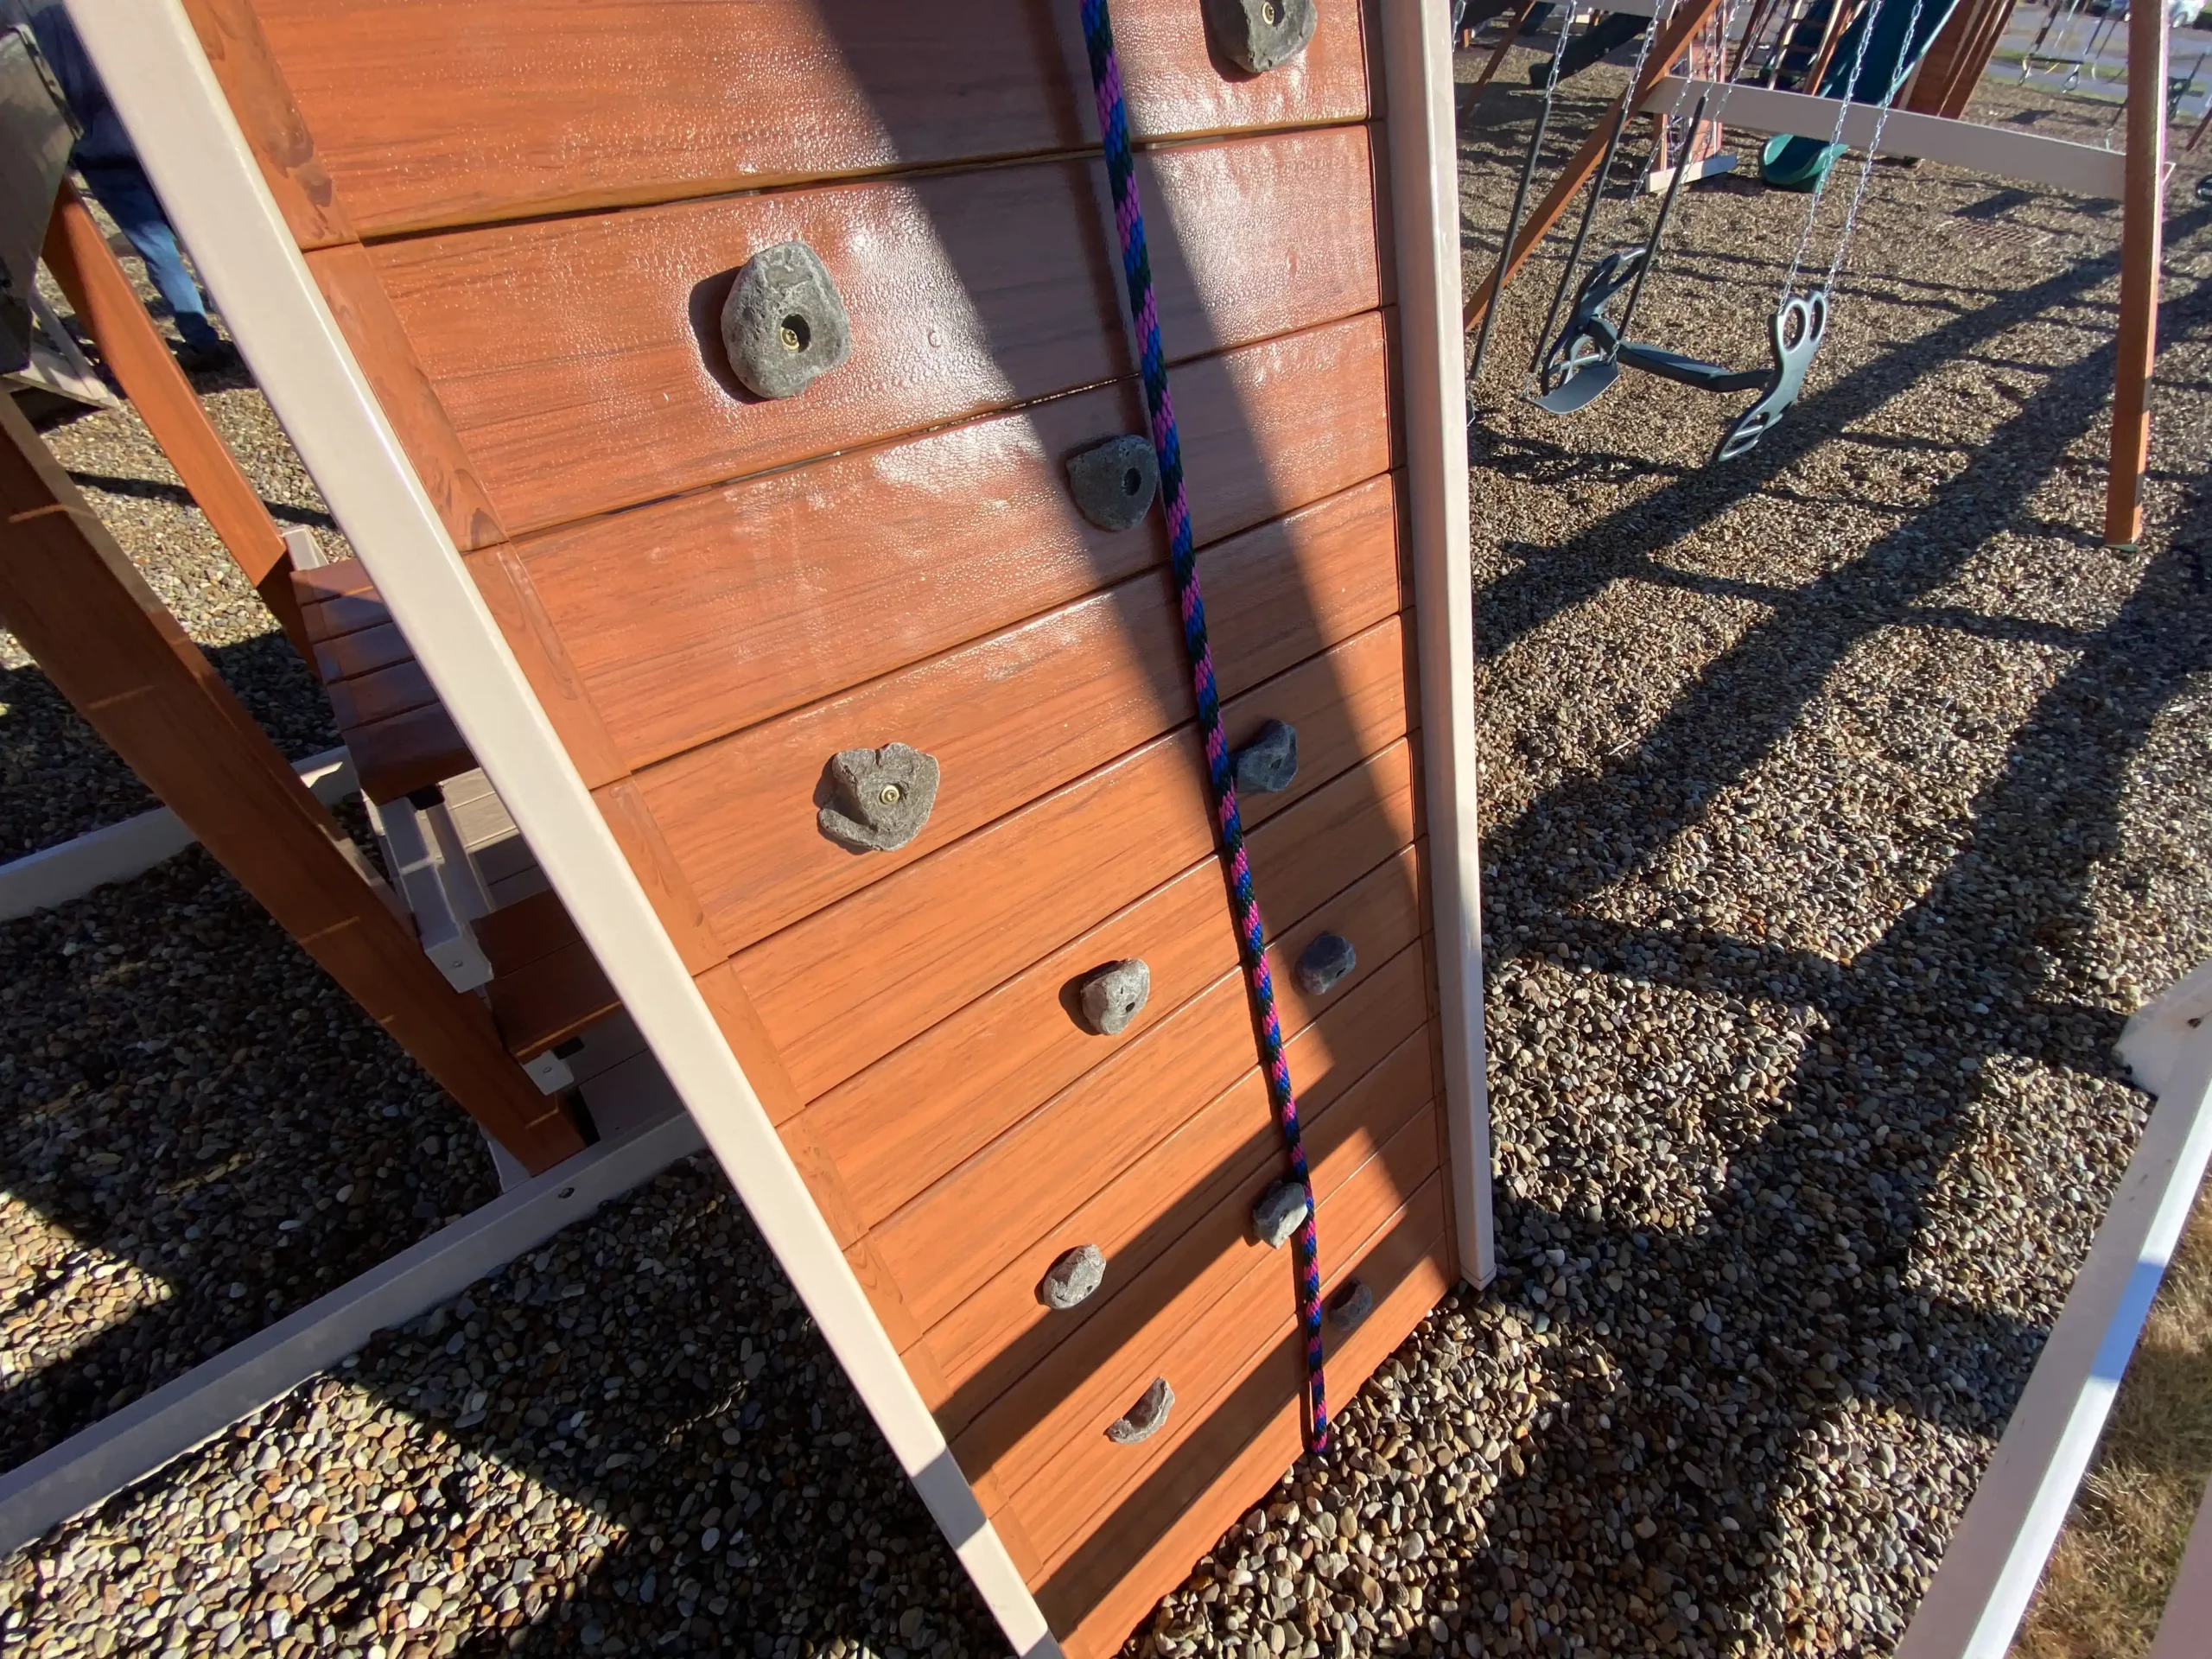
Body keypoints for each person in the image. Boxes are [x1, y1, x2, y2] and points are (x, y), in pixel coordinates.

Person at [22, 1, 235, 373]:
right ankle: (248, 323)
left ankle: (202, 340)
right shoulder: (102, 13)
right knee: (208, 231)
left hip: (94, 148)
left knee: (157, 248)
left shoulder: (22, 21)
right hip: (151, 134)